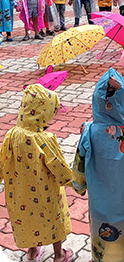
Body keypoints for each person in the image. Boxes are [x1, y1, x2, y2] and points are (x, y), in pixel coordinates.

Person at [72, 68, 124, 262]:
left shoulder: (89, 132)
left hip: (99, 203)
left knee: (101, 237)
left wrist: (79, 185)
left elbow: (79, 163)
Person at [0, 84, 75, 262]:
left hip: (20, 193)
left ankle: (32, 252)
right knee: (53, 218)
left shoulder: (11, 135)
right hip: (46, 193)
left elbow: (2, 160)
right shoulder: (43, 139)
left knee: (27, 218)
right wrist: (74, 183)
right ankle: (58, 255)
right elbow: (58, 166)